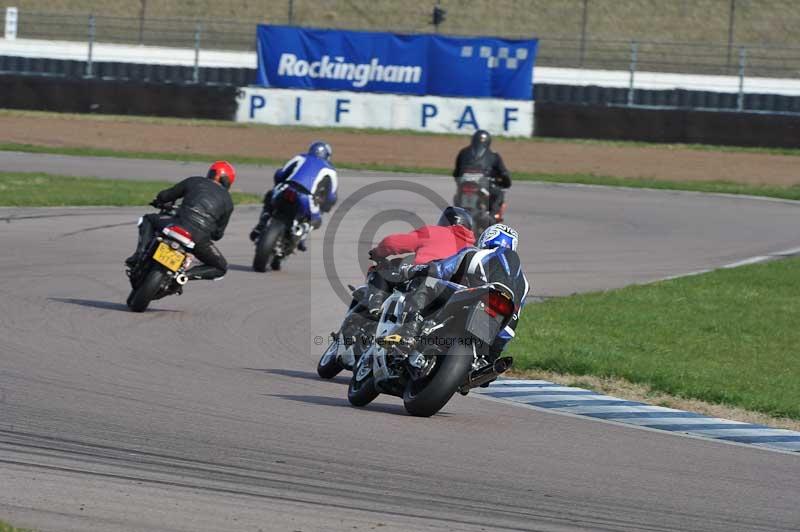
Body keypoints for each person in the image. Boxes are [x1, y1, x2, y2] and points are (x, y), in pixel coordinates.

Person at [393, 223, 529, 359]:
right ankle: (485, 366)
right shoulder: (525, 283)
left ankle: (409, 332)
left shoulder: (476, 253)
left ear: (487, 238)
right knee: (487, 366)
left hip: (478, 296)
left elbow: (439, 269)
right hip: (504, 326)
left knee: (427, 283)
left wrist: (409, 270)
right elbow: (516, 315)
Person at [125, 161, 235, 281]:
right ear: (228, 181)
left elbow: (166, 195)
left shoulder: (195, 181)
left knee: (147, 219)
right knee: (221, 268)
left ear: (212, 173)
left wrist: (159, 200)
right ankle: (185, 276)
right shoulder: (228, 202)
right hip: (199, 239)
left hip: (178, 224)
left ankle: (139, 255)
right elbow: (218, 234)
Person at [365, 206, 476, 313]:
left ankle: (376, 305)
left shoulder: (433, 232)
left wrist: (377, 252)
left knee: (381, 271)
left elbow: (391, 243)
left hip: (422, 280)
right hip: (454, 293)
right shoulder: (472, 247)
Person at [249, 141, 337, 252]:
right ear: (327, 156)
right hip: (306, 197)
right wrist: (325, 206)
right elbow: (331, 197)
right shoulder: (330, 170)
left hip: (286, 188)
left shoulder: (300, 157)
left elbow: (280, 174)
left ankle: (261, 224)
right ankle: (301, 230)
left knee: (270, 196)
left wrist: (279, 183)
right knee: (317, 219)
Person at [452, 130, 511, 221]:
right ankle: (493, 216)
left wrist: (461, 180)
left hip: (464, 184)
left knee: (457, 196)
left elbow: (456, 173)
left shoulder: (463, 152)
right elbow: (504, 174)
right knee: (499, 193)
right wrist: (505, 181)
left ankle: (458, 214)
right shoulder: (493, 155)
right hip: (482, 185)